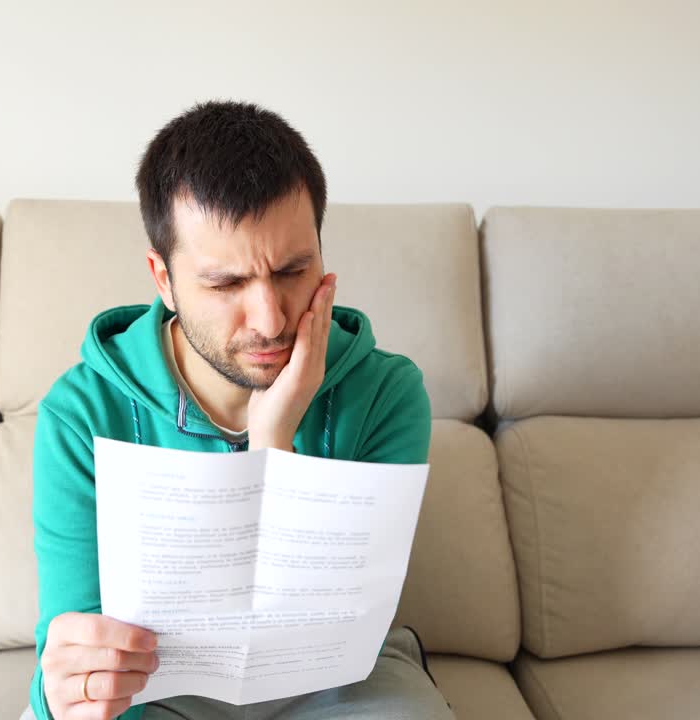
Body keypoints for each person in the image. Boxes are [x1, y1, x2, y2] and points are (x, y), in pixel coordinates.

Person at [27, 100, 449, 720]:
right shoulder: (81, 414)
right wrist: (68, 694)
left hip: (335, 677)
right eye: (226, 284)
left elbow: (324, 618)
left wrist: (273, 436)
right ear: (163, 279)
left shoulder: (386, 392)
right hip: (162, 683)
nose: (271, 320)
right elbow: (71, 670)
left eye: (293, 270)